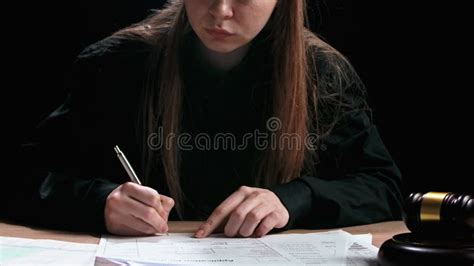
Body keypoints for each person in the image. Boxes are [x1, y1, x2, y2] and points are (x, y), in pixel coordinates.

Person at [19, 0, 403, 238]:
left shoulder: (321, 74)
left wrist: (294, 199)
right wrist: (100, 202)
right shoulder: (117, 66)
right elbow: (22, 177)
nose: (220, 11)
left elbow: (382, 187)